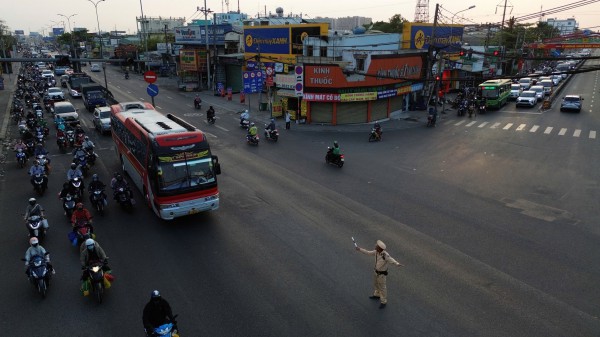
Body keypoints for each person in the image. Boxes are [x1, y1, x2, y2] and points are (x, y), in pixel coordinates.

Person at [355, 240, 404, 308]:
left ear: (380, 248)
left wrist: (397, 264)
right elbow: (368, 252)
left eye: (377, 246)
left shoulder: (385, 255)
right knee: (376, 284)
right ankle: (377, 295)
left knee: (382, 288)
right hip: (376, 272)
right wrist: (360, 249)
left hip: (381, 275)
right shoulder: (376, 252)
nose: (375, 246)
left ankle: (383, 301)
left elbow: (391, 259)